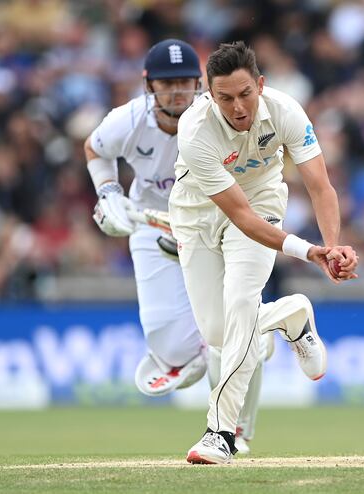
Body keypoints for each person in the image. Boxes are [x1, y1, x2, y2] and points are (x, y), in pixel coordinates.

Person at [168, 41, 358, 464]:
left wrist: (331, 245)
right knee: (219, 334)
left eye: (245, 94)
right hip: (199, 215)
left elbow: (320, 186)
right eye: (225, 98)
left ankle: (220, 433)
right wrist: (310, 252)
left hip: (263, 205)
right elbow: (236, 214)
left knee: (239, 307)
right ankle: (291, 314)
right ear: (208, 94)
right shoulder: (195, 130)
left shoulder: (287, 111)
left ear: (261, 84)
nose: (237, 107)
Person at [83, 39, 269, 454]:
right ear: (149, 85)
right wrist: (109, 191)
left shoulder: (218, 116)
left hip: (214, 221)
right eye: (167, 84)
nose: (178, 92)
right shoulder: (128, 120)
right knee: (169, 349)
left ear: (198, 84)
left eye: (185, 82)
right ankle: (222, 344)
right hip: (152, 223)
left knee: (235, 326)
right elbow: (95, 149)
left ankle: (235, 429)